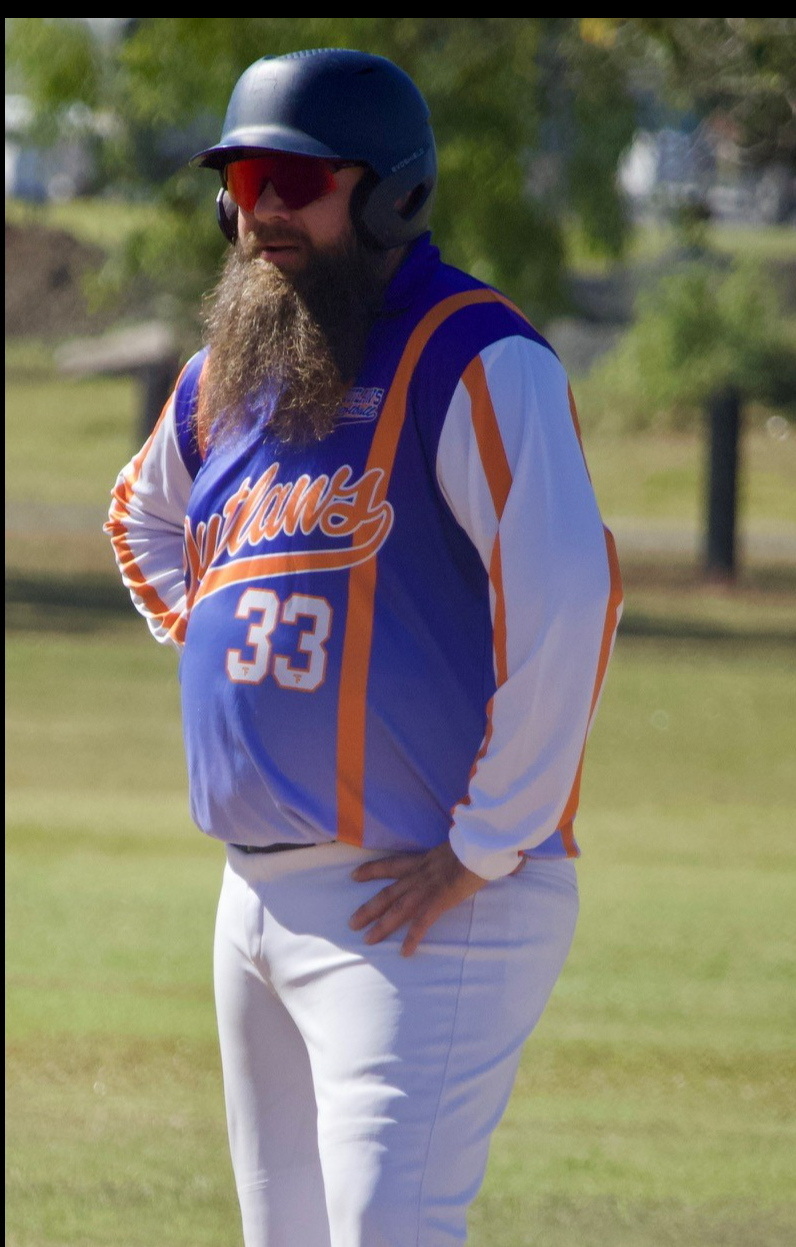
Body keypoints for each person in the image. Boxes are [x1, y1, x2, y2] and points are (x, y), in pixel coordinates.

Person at [106, 47, 622, 1247]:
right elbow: (140, 515)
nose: (262, 209)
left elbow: (566, 601)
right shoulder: (231, 374)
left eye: (297, 179)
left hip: (422, 897)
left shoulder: (474, 354)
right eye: (243, 180)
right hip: (253, 892)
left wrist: (488, 841)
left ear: (394, 194)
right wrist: (222, 637)